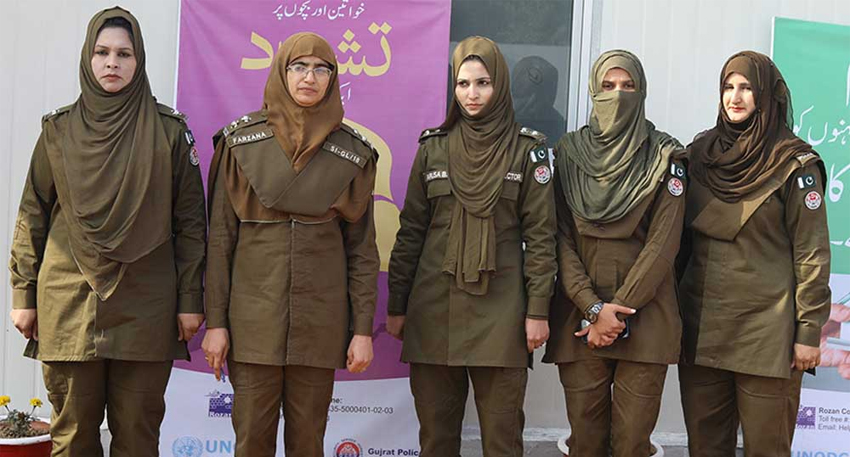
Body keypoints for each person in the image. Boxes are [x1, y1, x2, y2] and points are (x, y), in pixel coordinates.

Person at [8, 7, 206, 457]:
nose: (112, 63)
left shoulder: (170, 134)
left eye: (124, 53)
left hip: (147, 304)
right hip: (69, 302)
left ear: (139, 63)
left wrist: (190, 301)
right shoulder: (57, 132)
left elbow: (192, 225)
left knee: (137, 437)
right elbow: (32, 214)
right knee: (73, 438)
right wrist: (24, 294)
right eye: (101, 52)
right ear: (87, 58)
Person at [201, 32, 379, 457]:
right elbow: (220, 241)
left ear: (333, 78)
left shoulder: (352, 154)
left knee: (308, 445)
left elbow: (362, 253)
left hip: (319, 328)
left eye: (322, 68)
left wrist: (362, 331)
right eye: (299, 66)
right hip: (251, 326)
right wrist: (216, 323)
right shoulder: (239, 146)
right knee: (251, 444)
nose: (310, 77)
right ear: (281, 72)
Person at [386, 36, 556, 457]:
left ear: (499, 84)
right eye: (463, 84)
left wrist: (537, 311)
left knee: (502, 440)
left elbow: (540, 238)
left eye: (482, 83)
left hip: (501, 310)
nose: (472, 94)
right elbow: (411, 232)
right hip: (434, 307)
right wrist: (397, 304)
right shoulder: (433, 148)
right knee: (437, 439)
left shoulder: (527, 151)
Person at [678, 50, 832, 457]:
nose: (735, 97)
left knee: (767, 448)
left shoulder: (794, 163)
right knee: (705, 448)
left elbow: (812, 254)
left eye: (746, 88)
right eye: (728, 87)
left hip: (768, 335)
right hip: (702, 327)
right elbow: (677, 244)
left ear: (766, 95)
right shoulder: (700, 156)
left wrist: (808, 332)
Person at [543, 50, 685, 457]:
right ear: (593, 90)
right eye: (608, 86)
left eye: (628, 86)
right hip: (580, 318)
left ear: (642, 92)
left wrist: (616, 310)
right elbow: (559, 236)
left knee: (632, 443)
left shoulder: (665, 156)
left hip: (647, 316)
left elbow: (663, 243)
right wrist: (592, 308)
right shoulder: (568, 154)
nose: (618, 95)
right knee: (584, 442)